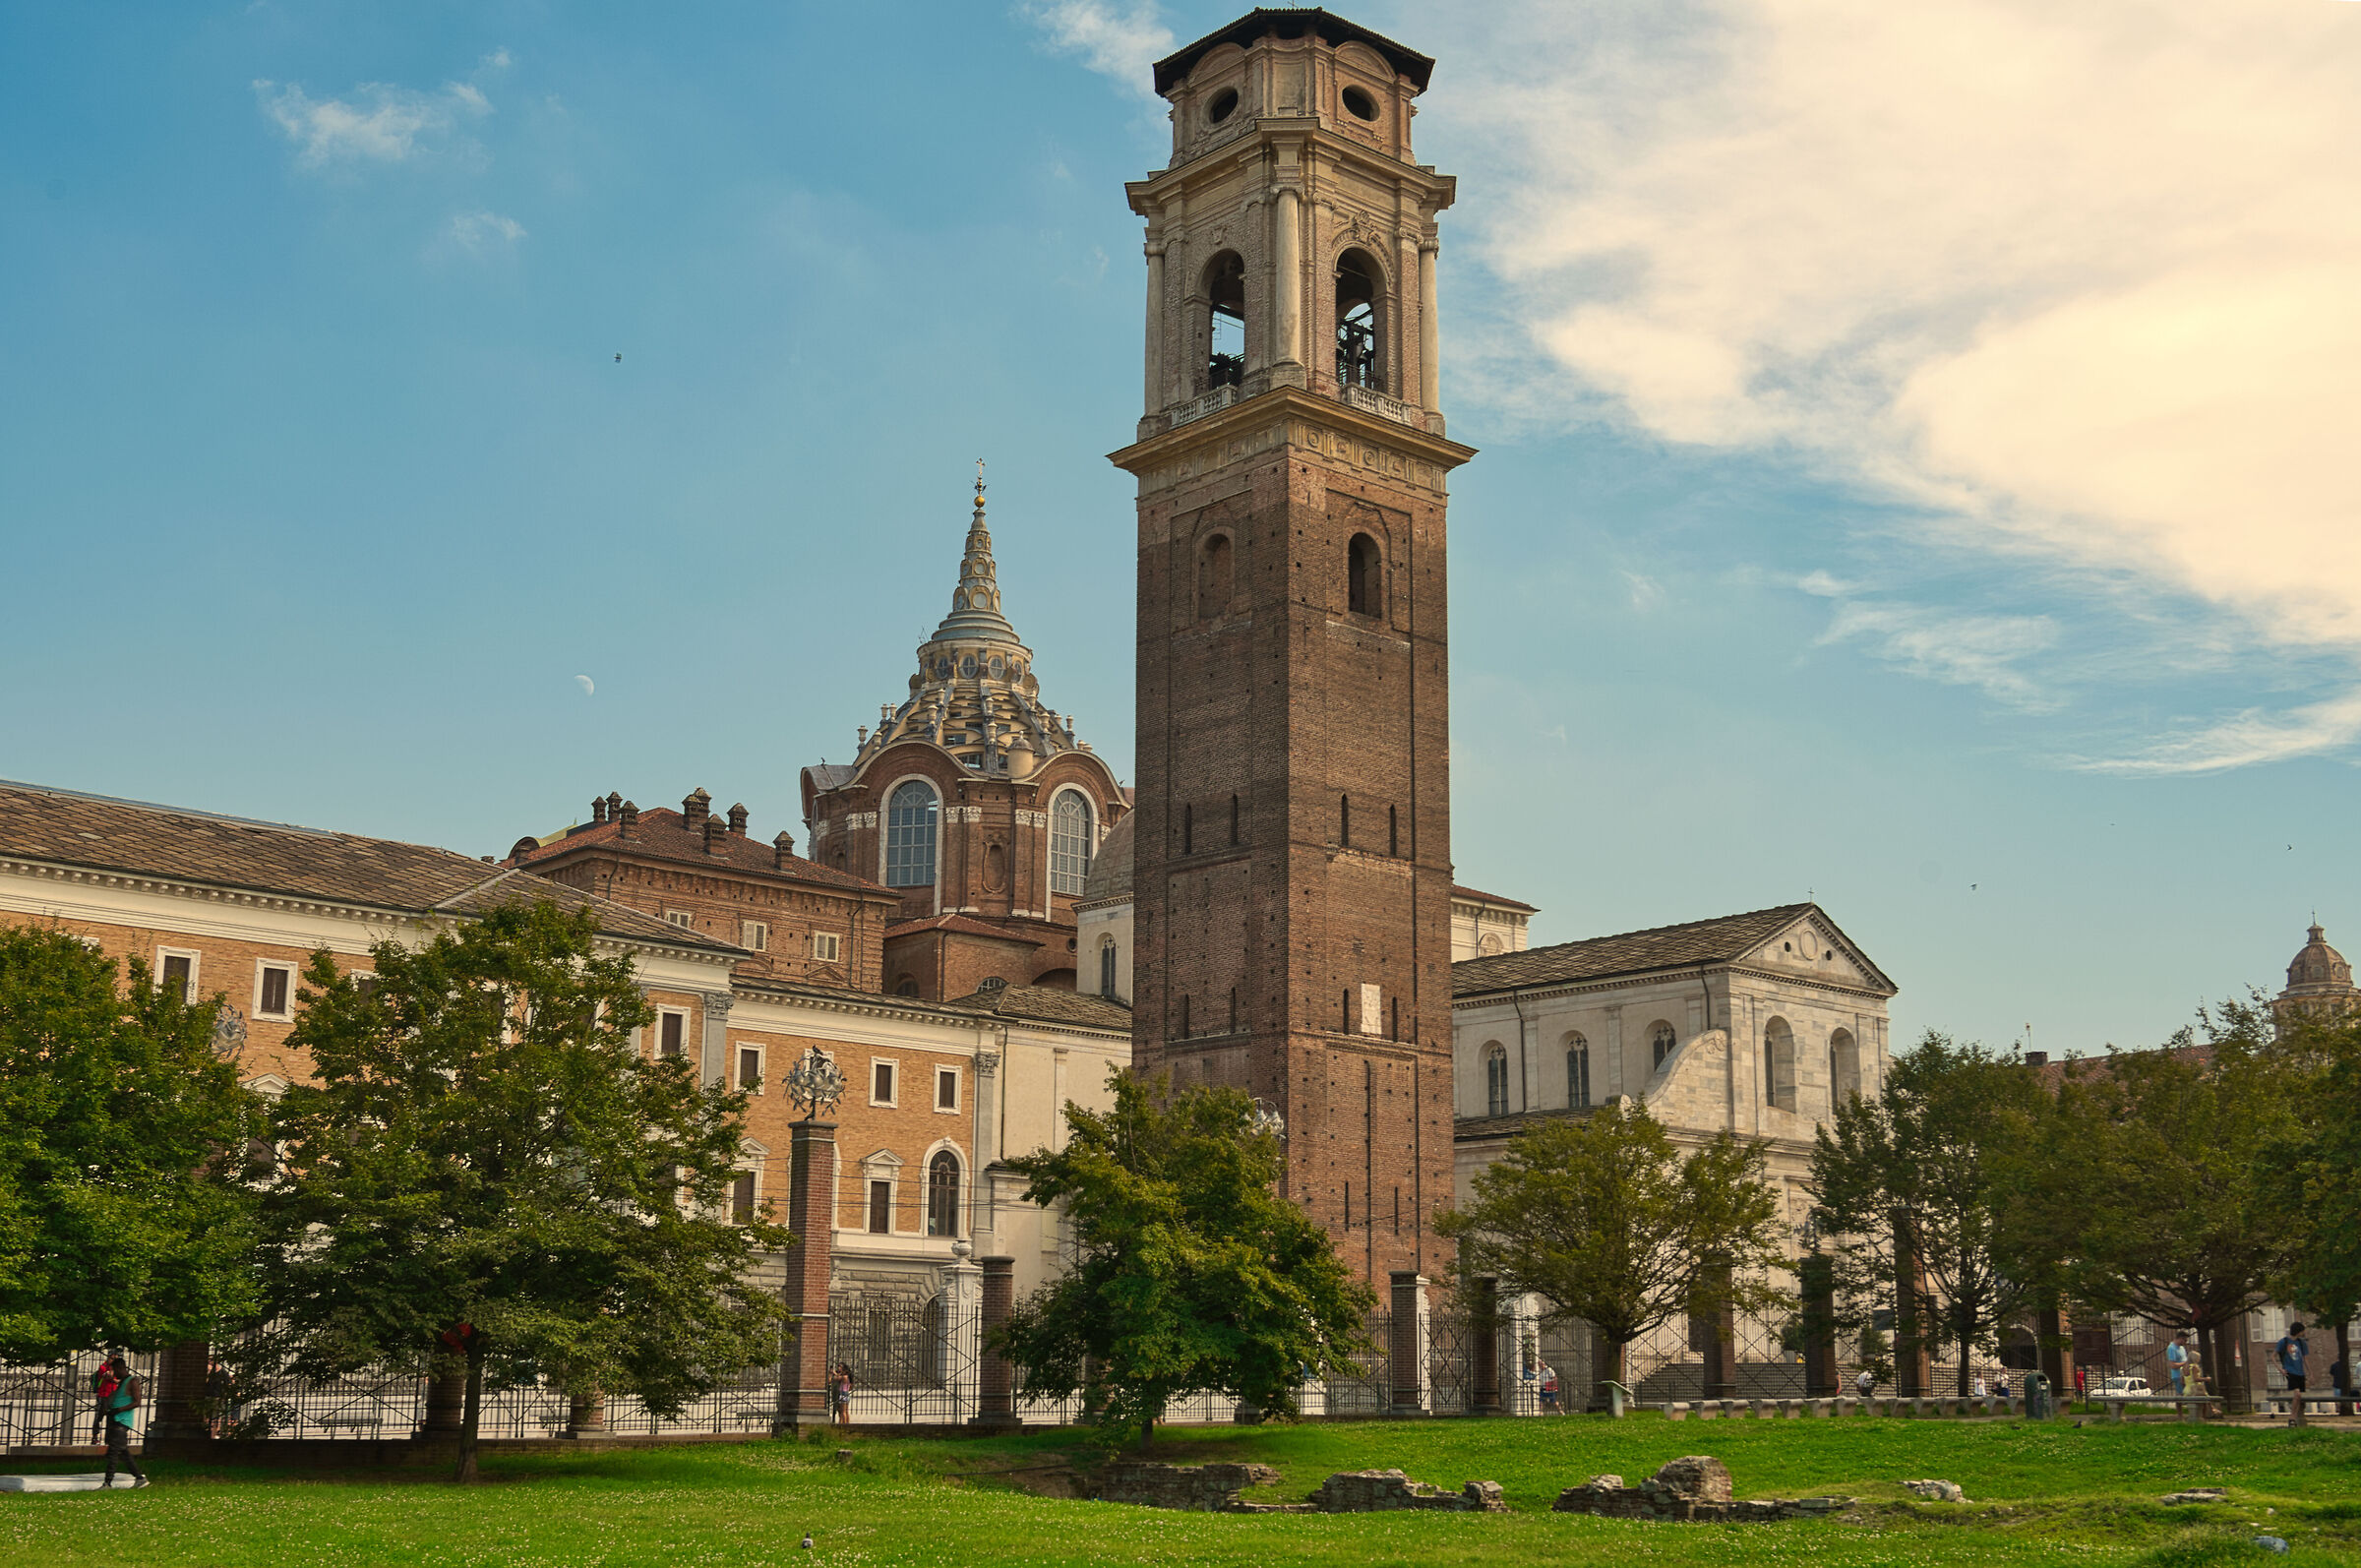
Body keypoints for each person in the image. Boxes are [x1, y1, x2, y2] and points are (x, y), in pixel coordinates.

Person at [97, 1355, 147, 1488]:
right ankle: (140, 1478)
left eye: (114, 1370)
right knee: (123, 1452)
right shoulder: (121, 1383)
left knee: (113, 1452)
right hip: (116, 1420)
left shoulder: (132, 1381)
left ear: (120, 1368)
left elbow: (137, 1402)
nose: (113, 1373)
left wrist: (119, 1410)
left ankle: (107, 1483)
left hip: (122, 1421)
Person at [2276, 1321, 2309, 1407]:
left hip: (2300, 1372)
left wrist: (2310, 1373)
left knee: (2298, 1396)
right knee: (2297, 1394)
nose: (2303, 1333)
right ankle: (2292, 1417)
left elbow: (2305, 1359)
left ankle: (2295, 1417)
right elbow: (2273, 1357)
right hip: (2290, 1371)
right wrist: (2281, 1369)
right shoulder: (2284, 1342)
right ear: (2298, 1331)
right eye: (2302, 1331)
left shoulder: (2302, 1343)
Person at [2166, 1331, 2191, 1396]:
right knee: (2180, 1394)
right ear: (2180, 1338)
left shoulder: (2182, 1348)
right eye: (2185, 1340)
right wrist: (2185, 1363)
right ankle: (2179, 1405)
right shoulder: (2172, 1348)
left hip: (2185, 1374)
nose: (2186, 1342)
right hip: (2178, 1375)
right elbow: (2172, 1365)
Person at [831, 1362, 852, 1428]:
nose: (839, 1368)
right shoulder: (848, 1377)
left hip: (843, 1393)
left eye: (840, 1367)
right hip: (846, 1393)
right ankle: (847, 1423)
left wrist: (833, 1372)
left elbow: (837, 1378)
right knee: (846, 1410)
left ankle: (844, 1424)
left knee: (843, 1411)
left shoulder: (844, 1377)